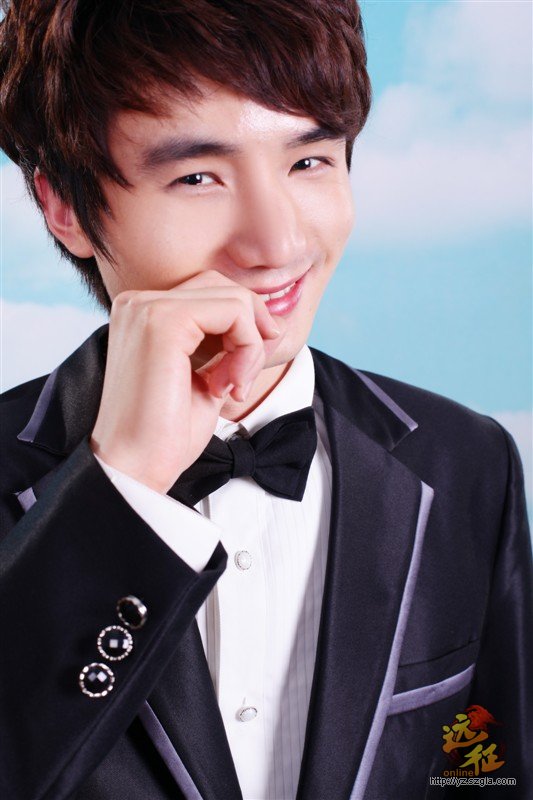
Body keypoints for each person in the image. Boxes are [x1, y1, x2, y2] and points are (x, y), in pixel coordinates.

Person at [0, 2, 531, 799]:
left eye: (308, 161)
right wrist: (123, 486)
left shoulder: (466, 461)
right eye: (197, 177)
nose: (279, 243)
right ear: (64, 208)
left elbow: (485, 774)